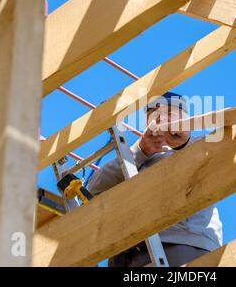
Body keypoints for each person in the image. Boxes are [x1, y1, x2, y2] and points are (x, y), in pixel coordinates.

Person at [87, 92, 222, 267]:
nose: (163, 119)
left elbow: (222, 153)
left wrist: (183, 144)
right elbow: (93, 190)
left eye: (171, 113)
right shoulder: (133, 158)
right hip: (128, 256)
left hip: (181, 247)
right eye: (155, 114)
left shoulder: (201, 146)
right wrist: (140, 151)